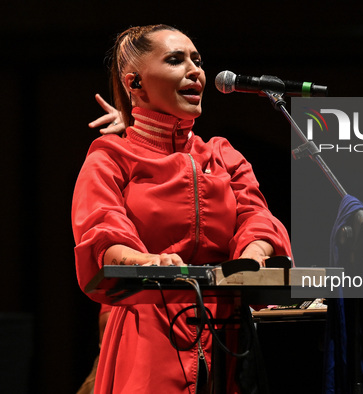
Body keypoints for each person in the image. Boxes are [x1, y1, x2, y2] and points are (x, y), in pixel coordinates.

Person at [72, 24, 292, 394]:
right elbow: (101, 232)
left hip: (230, 332)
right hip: (148, 331)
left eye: (197, 60)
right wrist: (146, 261)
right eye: (176, 60)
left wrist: (254, 254)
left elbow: (257, 217)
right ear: (134, 83)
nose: (196, 71)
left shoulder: (221, 153)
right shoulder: (110, 155)